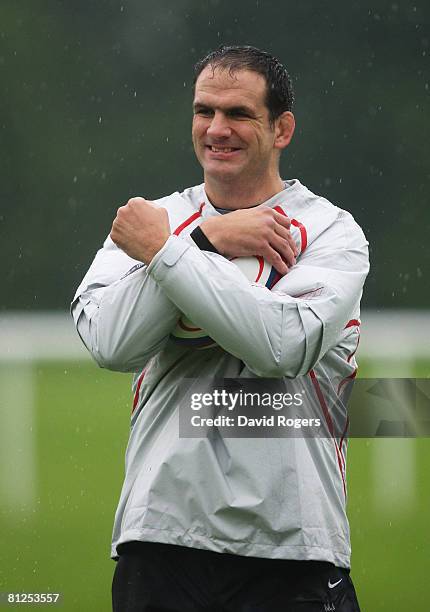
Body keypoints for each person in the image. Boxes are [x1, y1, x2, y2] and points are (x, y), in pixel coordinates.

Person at [71, 45, 369, 611]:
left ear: (282, 129)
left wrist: (171, 258)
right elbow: (111, 344)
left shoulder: (331, 231)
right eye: (204, 111)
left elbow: (281, 345)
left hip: (293, 542)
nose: (216, 129)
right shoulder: (149, 223)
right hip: (159, 538)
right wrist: (203, 241)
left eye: (238, 114)